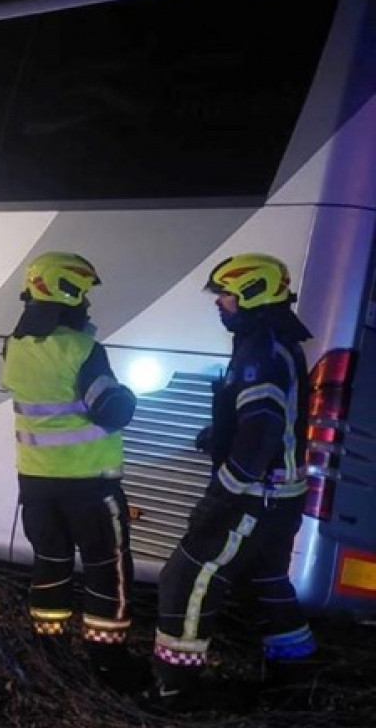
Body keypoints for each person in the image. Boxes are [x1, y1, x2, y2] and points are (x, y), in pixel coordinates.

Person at [149, 253, 316, 704]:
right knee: (267, 583)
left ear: (252, 293)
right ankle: (298, 679)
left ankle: (175, 688)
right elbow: (266, 421)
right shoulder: (270, 342)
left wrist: (220, 497)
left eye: (225, 293)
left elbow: (259, 438)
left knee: (187, 578)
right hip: (281, 497)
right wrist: (218, 432)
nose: (219, 302)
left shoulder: (260, 353)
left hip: (255, 497)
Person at [0, 252, 138, 688]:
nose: (87, 305)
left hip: (37, 486)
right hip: (90, 488)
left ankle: (49, 651)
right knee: (106, 569)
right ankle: (107, 662)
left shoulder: (14, 346)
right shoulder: (84, 350)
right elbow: (111, 409)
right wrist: (128, 394)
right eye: (82, 294)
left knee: (50, 565)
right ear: (64, 292)